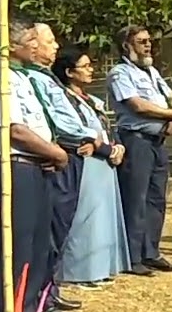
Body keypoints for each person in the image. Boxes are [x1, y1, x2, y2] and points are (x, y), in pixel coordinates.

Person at [0, 14, 68, 312]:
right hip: (13, 169)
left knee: (37, 246)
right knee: (15, 248)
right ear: (12, 44)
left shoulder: (26, 79)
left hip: (36, 168)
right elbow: (15, 130)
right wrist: (56, 153)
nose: (36, 45)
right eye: (31, 40)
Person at [18, 22, 92, 312]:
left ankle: (51, 290)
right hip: (57, 155)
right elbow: (56, 122)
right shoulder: (31, 79)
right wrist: (87, 137)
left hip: (69, 154)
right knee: (50, 233)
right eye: (48, 41)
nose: (55, 46)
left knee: (60, 231)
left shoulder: (47, 78)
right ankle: (40, 299)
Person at [108, 25, 172, 276]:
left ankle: (151, 252)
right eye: (142, 41)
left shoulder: (152, 71)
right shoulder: (120, 73)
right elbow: (137, 105)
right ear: (127, 46)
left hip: (158, 142)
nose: (148, 45)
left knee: (156, 199)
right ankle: (132, 258)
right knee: (135, 199)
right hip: (136, 141)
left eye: (148, 41)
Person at [53, 46, 133, 285]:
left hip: (104, 164)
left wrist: (117, 147)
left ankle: (102, 267)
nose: (91, 71)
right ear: (69, 72)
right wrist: (103, 148)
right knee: (85, 218)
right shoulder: (64, 99)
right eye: (85, 66)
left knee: (103, 217)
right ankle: (80, 271)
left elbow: (104, 131)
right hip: (87, 163)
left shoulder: (93, 101)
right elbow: (80, 134)